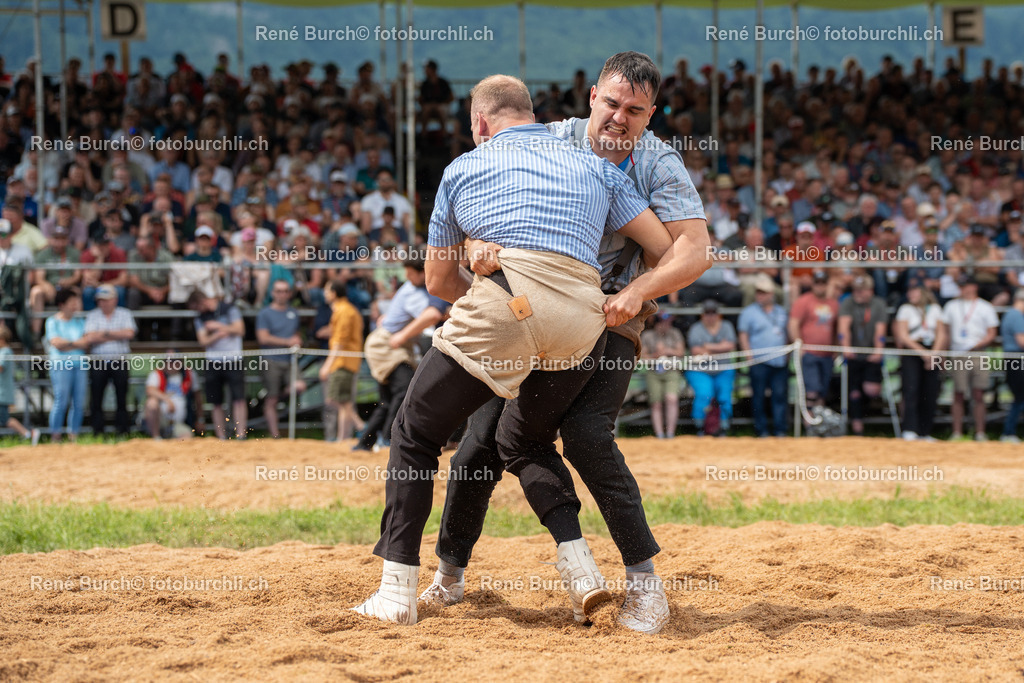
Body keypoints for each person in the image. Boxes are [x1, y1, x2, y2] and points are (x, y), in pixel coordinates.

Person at [354, 73, 680, 627]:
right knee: (515, 439)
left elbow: (437, 280)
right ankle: (580, 570)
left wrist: (493, 292)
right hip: (584, 321)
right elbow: (664, 247)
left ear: (480, 124)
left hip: (508, 302)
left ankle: (396, 590)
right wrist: (629, 297)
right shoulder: (596, 165)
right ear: (534, 115)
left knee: (415, 431)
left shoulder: (463, 166)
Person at [424, 52, 710, 637]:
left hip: (610, 315)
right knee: (479, 442)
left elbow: (694, 251)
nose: (619, 119)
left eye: (634, 110)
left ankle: (646, 585)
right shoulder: (546, 139)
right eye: (611, 104)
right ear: (591, 99)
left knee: (585, 437)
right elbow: (478, 192)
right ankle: (449, 576)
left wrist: (639, 291)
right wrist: (478, 238)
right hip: (526, 304)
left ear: (651, 114)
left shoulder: (659, 162)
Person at [353, 258, 449, 452]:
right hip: (388, 344)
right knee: (403, 390)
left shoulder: (417, 290)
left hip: (392, 343)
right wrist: (446, 312)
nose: (407, 277)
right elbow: (429, 317)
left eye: (410, 273)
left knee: (389, 399)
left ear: (423, 273)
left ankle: (366, 442)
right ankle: (388, 438)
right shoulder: (414, 291)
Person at [939, 278, 999, 441]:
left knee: (979, 394)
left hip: (979, 353)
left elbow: (992, 333)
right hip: (958, 353)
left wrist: (977, 344)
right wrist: (942, 354)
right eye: (961, 286)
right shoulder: (951, 306)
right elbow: (945, 333)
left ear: (974, 287)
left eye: (965, 285)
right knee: (958, 393)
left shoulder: (985, 307)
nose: (962, 289)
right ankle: (957, 432)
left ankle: (980, 432)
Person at [188, 291, 247, 440]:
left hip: (234, 359)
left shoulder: (229, 309)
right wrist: (218, 334)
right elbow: (203, 341)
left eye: (197, 307)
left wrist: (219, 326)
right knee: (215, 401)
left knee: (239, 398)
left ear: (202, 302)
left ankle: (241, 434)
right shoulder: (201, 317)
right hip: (213, 361)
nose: (198, 311)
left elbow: (240, 330)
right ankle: (221, 436)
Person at [739, 274, 790, 437]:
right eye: (758, 292)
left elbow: (786, 333)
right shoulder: (748, 312)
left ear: (771, 294)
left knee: (780, 396)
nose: (760, 295)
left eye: (763, 292)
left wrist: (788, 353)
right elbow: (743, 334)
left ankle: (780, 430)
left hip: (780, 360)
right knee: (758, 397)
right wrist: (748, 356)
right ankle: (761, 430)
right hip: (759, 360)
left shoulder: (782, 312)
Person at [893, 284, 946, 441]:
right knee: (911, 390)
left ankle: (925, 431)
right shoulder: (905, 309)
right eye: (910, 290)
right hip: (913, 351)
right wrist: (924, 354)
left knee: (930, 391)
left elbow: (941, 334)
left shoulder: (935, 309)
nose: (911, 293)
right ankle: (910, 429)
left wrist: (934, 354)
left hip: (932, 350)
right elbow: (903, 336)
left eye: (915, 290)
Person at [837, 276, 889, 436]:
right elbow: (843, 328)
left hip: (870, 353)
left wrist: (878, 350)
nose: (857, 293)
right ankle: (857, 428)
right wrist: (845, 348)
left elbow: (880, 330)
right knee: (854, 392)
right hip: (853, 355)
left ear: (870, 291)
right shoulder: (848, 303)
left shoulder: (878, 304)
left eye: (861, 290)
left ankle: (869, 418)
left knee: (871, 390)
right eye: (856, 290)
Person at [83, 284, 137, 436]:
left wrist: (103, 334)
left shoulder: (124, 313)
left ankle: (123, 431)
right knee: (96, 398)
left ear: (115, 300)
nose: (103, 303)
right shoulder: (93, 315)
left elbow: (129, 333)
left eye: (106, 300)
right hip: (98, 361)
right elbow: (90, 337)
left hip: (119, 360)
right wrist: (115, 334)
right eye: (100, 300)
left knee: (122, 397)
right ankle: (97, 431)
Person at [256, 281, 306, 439]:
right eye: (279, 291)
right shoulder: (265, 313)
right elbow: (263, 338)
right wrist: (287, 342)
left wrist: (297, 340)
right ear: (273, 293)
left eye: (285, 291)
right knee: (272, 399)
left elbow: (295, 334)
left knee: (299, 386)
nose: (282, 294)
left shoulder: (293, 313)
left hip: (290, 359)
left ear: (289, 293)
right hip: (271, 359)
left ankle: (278, 397)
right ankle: (275, 435)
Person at [318, 280, 364, 443]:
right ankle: (343, 438)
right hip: (347, 360)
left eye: (326, 290)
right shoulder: (346, 310)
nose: (324, 293)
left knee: (336, 399)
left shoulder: (344, 311)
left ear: (334, 293)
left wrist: (327, 365)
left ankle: (361, 426)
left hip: (343, 361)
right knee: (344, 400)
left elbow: (340, 341)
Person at [788, 270, 839, 412]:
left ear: (827, 285)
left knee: (822, 390)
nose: (820, 286)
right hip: (809, 353)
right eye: (817, 283)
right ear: (813, 284)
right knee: (812, 390)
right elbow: (793, 324)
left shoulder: (833, 304)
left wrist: (836, 347)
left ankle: (819, 423)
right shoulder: (803, 301)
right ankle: (809, 424)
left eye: (823, 283)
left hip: (827, 354)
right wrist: (800, 346)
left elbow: (836, 328)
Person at [685, 299, 737, 436]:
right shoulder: (696, 328)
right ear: (703, 315)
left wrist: (708, 347)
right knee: (704, 394)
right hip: (700, 370)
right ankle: (700, 427)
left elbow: (730, 346)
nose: (710, 316)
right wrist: (720, 347)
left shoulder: (726, 326)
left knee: (725, 396)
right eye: (707, 313)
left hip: (723, 369)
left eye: (713, 313)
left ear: (718, 314)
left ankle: (724, 427)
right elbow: (695, 351)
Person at [44, 288, 89, 442]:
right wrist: (76, 344)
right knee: (61, 400)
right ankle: (55, 434)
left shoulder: (80, 321)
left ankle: (73, 435)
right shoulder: (52, 321)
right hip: (60, 365)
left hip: (79, 364)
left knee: (79, 402)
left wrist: (67, 344)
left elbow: (85, 343)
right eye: (72, 302)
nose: (75, 305)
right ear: (62, 304)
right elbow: (56, 343)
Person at [640, 313, 684, 439]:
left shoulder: (675, 333)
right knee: (656, 403)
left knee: (671, 399)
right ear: (657, 323)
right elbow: (642, 356)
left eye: (669, 322)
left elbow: (681, 352)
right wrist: (656, 354)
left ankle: (670, 433)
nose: (667, 325)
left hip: (671, 370)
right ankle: (659, 434)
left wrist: (667, 351)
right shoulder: (648, 335)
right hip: (653, 371)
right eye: (665, 322)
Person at [145, 352, 201, 439]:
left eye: (175, 361)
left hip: (178, 423)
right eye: (169, 361)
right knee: (152, 403)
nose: (171, 364)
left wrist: (200, 419)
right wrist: (167, 400)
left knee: (186, 438)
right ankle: (156, 437)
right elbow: (150, 390)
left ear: (181, 362)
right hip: (161, 421)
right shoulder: (157, 374)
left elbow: (198, 399)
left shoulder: (188, 374)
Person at [0, 325, 40, 445]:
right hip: (3, 393)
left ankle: (28, 434)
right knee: (4, 418)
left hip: (2, 393)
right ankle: (28, 434)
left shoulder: (5, 351)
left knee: (5, 419)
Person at [1000, 288, 1024, 442]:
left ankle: (1008, 432)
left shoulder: (1011, 314)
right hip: (1017, 359)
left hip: (1013, 359)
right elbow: (1021, 341)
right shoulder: (1016, 316)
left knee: (1020, 397)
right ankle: (1008, 432)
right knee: (1020, 397)